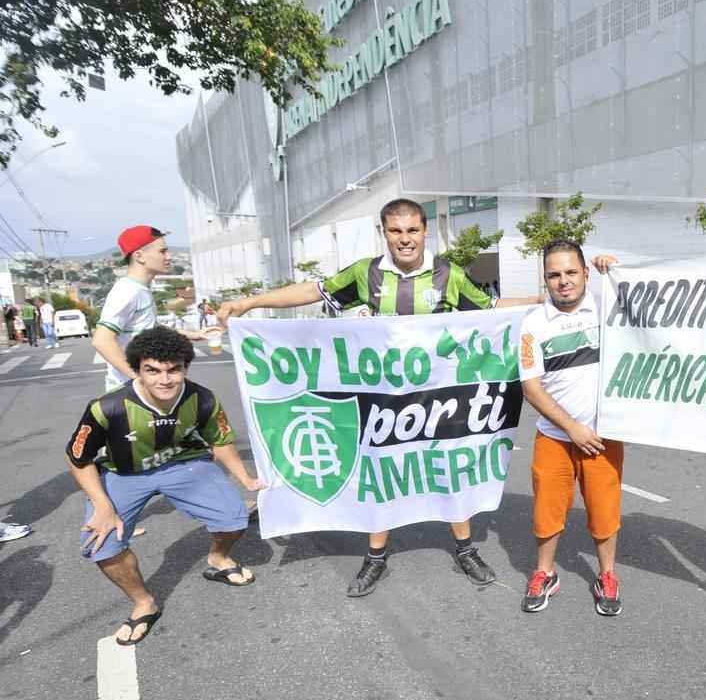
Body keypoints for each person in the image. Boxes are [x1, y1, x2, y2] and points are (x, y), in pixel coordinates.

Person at [218, 197, 540, 598]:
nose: (405, 239)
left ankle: (465, 549)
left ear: (425, 231)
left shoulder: (448, 275)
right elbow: (314, 291)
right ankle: (375, 557)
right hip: (383, 397)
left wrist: (539, 303)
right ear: (383, 233)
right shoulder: (366, 273)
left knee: (448, 464)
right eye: (396, 231)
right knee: (380, 470)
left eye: (412, 230)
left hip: (437, 396)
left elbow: (492, 309)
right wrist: (250, 302)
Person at [66, 326, 265, 645]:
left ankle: (218, 558)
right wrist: (102, 505)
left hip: (184, 464)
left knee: (234, 518)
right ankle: (144, 603)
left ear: (185, 367)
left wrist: (246, 478)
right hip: (125, 473)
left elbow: (220, 440)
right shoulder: (107, 407)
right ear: (136, 369)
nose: (165, 379)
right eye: (153, 370)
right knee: (101, 545)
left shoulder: (202, 399)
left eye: (174, 370)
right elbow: (78, 459)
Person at [517, 242, 624, 616]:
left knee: (604, 511)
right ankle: (545, 573)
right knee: (546, 511)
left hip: (603, 436)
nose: (563, 281)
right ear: (545, 279)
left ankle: (607, 575)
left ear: (586, 273)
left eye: (571, 272)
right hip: (555, 436)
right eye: (554, 275)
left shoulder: (609, 307)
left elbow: (650, 312)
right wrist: (572, 427)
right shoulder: (533, 324)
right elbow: (532, 388)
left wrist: (620, 272)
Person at [94, 225, 219, 391]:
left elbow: (149, 327)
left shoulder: (141, 289)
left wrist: (194, 335)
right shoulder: (127, 291)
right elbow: (102, 340)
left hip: (145, 389)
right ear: (139, 256)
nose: (168, 257)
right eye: (162, 251)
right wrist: (138, 378)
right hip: (130, 392)